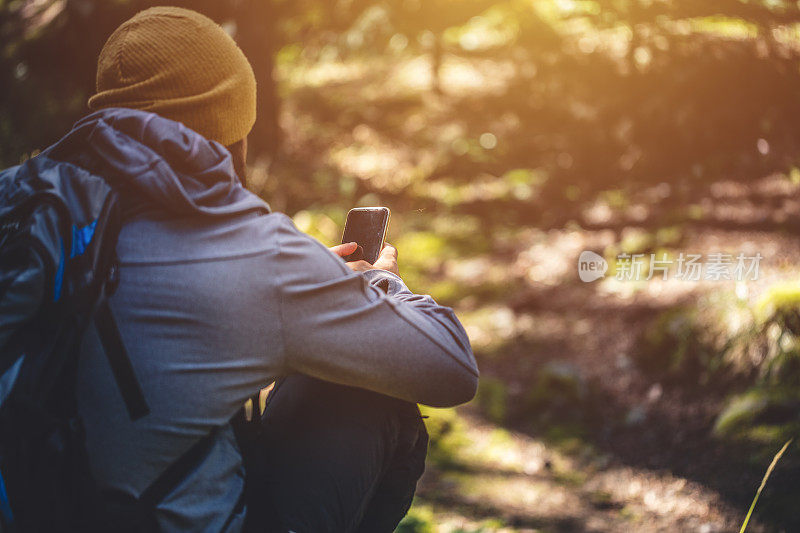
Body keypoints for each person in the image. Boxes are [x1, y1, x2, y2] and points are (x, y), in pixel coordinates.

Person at [61, 6, 479, 532]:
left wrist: (305, 289)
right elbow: (453, 369)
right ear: (231, 127)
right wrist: (378, 282)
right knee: (367, 390)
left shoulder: (31, 220)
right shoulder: (245, 252)